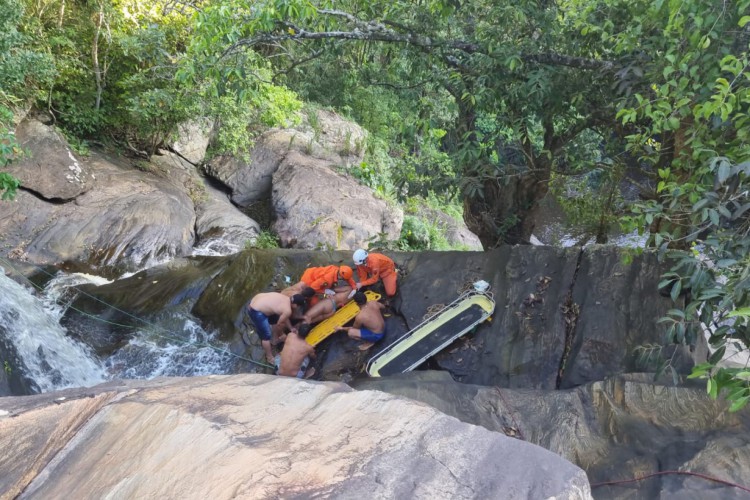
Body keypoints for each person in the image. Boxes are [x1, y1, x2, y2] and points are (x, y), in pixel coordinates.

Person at [246, 292, 305, 364]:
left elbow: (284, 317)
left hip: (256, 300)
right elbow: (279, 324)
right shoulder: (288, 310)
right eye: (298, 307)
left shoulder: (285, 298)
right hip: (256, 310)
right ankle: (269, 357)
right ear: (295, 305)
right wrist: (282, 334)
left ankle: (274, 340)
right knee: (266, 336)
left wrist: (291, 328)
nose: (297, 308)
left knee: (275, 319)